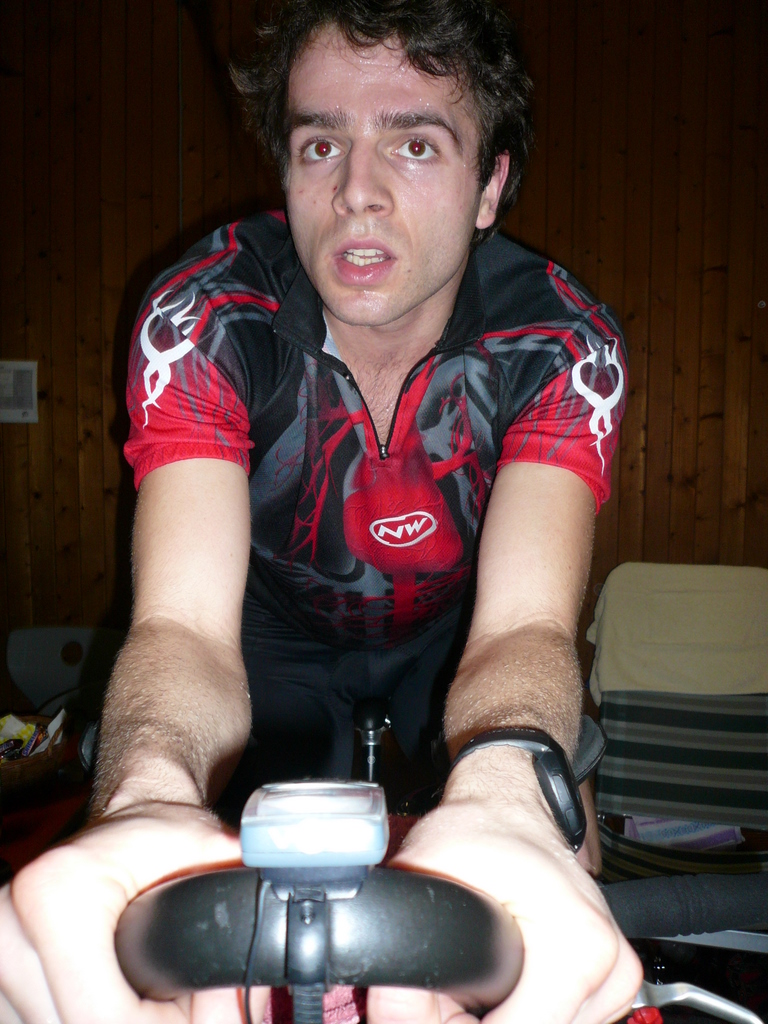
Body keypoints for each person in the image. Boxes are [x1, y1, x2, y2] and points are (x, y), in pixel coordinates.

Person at [0, 1, 642, 1022]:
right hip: (262, 652)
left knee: (550, 832)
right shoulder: (202, 315)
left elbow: (526, 628)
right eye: (320, 144)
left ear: (491, 185)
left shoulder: (564, 343)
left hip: (460, 646)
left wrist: (513, 799)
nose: (356, 192)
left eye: (415, 144)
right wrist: (146, 794)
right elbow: (180, 629)